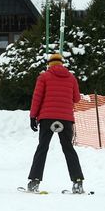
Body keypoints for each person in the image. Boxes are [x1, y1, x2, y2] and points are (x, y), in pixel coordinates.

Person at [26, 53, 84, 193]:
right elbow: (76, 99)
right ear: (62, 63)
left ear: (49, 64)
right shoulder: (71, 78)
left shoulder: (44, 77)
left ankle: (35, 181)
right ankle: (78, 182)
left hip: (47, 118)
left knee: (42, 148)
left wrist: (33, 116)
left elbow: (37, 98)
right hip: (66, 119)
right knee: (68, 148)